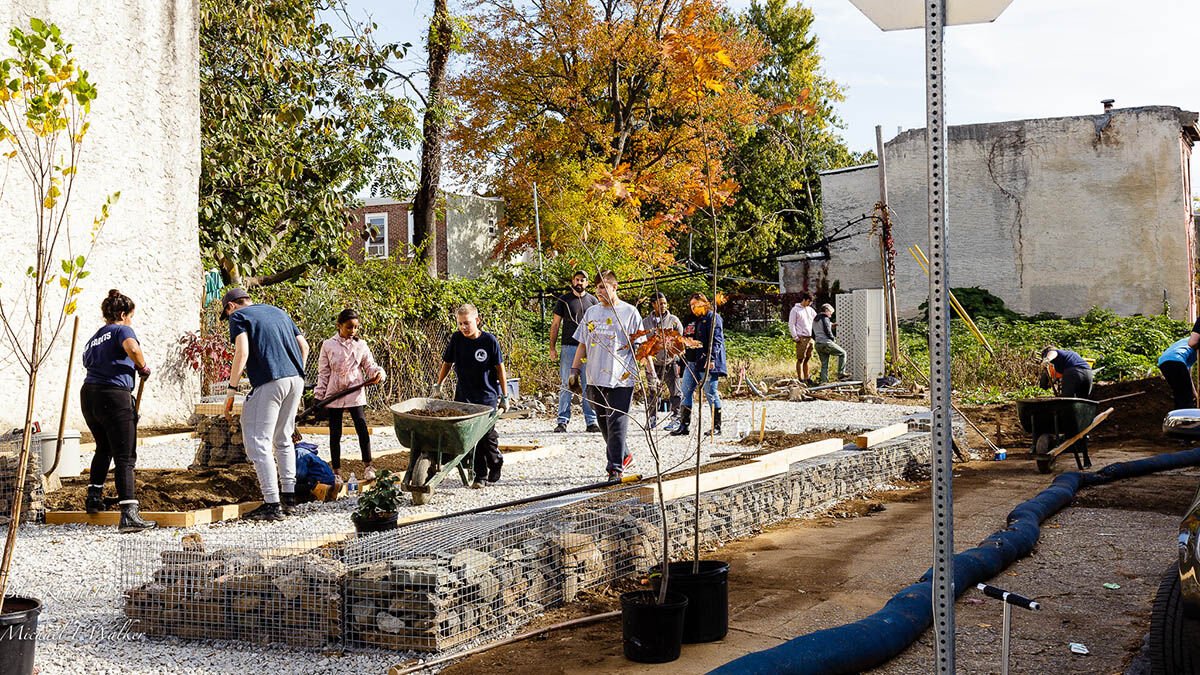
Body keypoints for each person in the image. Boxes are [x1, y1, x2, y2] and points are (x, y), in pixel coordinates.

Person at [222, 288, 309, 521]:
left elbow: (242, 352)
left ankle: (272, 505)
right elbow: (305, 347)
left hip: (271, 381)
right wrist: (296, 372)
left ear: (230, 306)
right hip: (296, 380)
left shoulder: (238, 317)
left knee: (258, 442)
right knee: (283, 437)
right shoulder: (278, 311)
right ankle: (289, 500)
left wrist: (231, 391)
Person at [80, 289, 155, 533]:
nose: (131, 321)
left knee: (104, 447)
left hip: (89, 395)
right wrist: (142, 366)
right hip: (114, 395)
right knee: (125, 455)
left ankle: (93, 498)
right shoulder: (122, 330)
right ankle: (129, 515)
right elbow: (132, 348)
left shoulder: (95, 337)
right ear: (122, 314)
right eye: (131, 316)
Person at [571, 270, 652, 479]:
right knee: (603, 422)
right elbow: (582, 343)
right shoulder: (592, 313)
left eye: (604, 286)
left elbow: (642, 347)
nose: (600, 291)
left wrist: (650, 373)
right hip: (595, 375)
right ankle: (624, 455)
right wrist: (574, 370)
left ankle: (614, 468)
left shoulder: (629, 312)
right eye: (597, 287)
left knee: (617, 422)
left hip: (621, 377)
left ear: (614, 287)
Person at [433, 304, 510, 488]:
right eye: (460, 324)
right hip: (464, 396)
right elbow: (447, 362)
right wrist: (439, 384)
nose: (463, 328)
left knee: (486, 437)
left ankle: (496, 461)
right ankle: (480, 476)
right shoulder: (457, 339)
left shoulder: (489, 341)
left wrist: (505, 396)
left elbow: (500, 370)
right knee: (470, 438)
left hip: (486, 397)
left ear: (477, 320)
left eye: (466, 323)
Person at [315, 308, 386, 480]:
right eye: (349, 327)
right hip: (335, 393)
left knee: (361, 428)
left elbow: (369, 365)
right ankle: (336, 471)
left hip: (355, 391)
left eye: (355, 327)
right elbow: (323, 372)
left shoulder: (360, 345)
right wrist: (319, 396)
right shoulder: (328, 345)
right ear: (339, 326)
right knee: (335, 433)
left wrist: (378, 373)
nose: (352, 331)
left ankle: (368, 466)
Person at [549, 270, 600, 434]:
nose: (579, 282)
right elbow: (555, 325)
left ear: (587, 282)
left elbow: (599, 326)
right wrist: (552, 347)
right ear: (573, 281)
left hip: (588, 348)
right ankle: (562, 421)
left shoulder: (593, 301)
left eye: (583, 280)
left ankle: (591, 421)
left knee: (588, 384)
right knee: (567, 383)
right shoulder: (564, 300)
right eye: (577, 279)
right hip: (568, 347)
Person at [671, 293, 727, 437]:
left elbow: (717, 340)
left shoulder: (713, 317)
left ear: (703, 303)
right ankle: (684, 425)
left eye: (695, 304)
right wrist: (679, 360)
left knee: (711, 393)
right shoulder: (690, 319)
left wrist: (712, 359)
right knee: (685, 391)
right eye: (691, 305)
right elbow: (683, 341)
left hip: (706, 361)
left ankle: (717, 427)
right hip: (691, 361)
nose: (693, 308)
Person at [641, 292, 683, 429]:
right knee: (653, 391)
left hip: (670, 362)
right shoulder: (645, 322)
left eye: (665, 303)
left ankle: (676, 417)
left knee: (675, 392)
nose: (663, 306)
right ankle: (652, 418)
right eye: (660, 303)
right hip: (653, 363)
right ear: (653, 305)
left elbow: (680, 342)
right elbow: (643, 344)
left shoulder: (674, 320)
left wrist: (678, 360)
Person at [1158, 336, 1198, 410]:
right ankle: (1188, 418)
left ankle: (1180, 417)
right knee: (1186, 397)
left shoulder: (1188, 341)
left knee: (1180, 394)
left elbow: (1187, 374)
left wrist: (1194, 393)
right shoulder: (1196, 340)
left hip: (1163, 363)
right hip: (1176, 360)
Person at [812, 303, 847, 383]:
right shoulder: (825, 318)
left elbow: (814, 332)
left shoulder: (815, 319)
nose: (831, 315)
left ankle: (824, 383)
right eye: (831, 312)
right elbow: (827, 330)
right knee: (843, 353)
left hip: (818, 344)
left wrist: (831, 325)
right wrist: (832, 338)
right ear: (826, 311)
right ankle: (841, 373)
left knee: (824, 365)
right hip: (826, 342)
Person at [788, 291, 817, 384]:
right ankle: (800, 378)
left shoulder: (810, 310)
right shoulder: (795, 310)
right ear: (804, 300)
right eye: (809, 301)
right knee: (800, 358)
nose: (809, 303)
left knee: (807, 358)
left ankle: (806, 377)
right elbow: (791, 324)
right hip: (801, 337)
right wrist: (795, 336)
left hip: (810, 337)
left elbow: (817, 319)